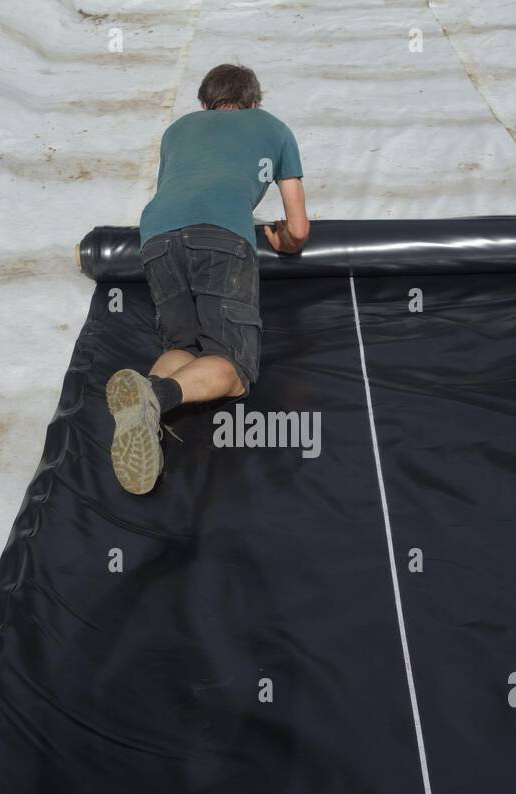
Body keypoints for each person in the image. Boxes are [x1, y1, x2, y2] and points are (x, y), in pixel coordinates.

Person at [106, 63, 309, 494]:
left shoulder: (178, 130)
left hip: (156, 236)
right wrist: (282, 242)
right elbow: (299, 229)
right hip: (220, 239)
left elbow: (180, 191)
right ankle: (155, 399)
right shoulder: (273, 127)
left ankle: (145, 400)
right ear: (254, 100)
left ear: (204, 103)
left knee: (181, 346)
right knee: (234, 369)